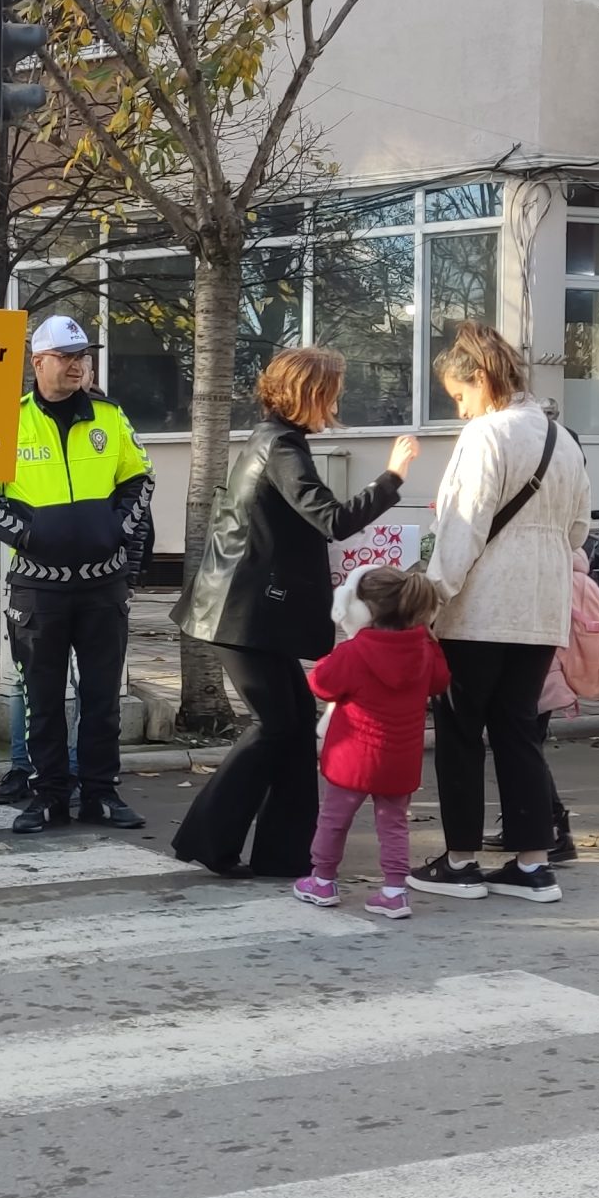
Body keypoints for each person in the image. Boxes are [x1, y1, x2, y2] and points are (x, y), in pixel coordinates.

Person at [170, 346, 417, 878]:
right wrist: (391, 478)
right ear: (308, 395)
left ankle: (285, 854)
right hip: (240, 614)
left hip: (246, 612)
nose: (336, 403)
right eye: (330, 394)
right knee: (276, 726)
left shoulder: (278, 441)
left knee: (293, 724)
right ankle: (210, 841)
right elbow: (332, 519)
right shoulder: (282, 446)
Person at [410, 320, 592, 906]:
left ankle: (460, 859)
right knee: (520, 734)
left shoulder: (486, 436)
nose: (460, 411)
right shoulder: (561, 439)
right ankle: (533, 863)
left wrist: (430, 596)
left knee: (462, 732)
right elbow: (580, 529)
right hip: (542, 607)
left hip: (480, 609)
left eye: (459, 397)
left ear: (482, 381)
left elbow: (460, 528)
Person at [0, 314, 154, 836]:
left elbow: (140, 481)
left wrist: (117, 531)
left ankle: (100, 792)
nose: (78, 365)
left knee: (101, 697)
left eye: (84, 356)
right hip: (38, 586)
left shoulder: (110, 417)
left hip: (102, 583)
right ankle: (47, 795)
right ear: (38, 362)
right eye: (67, 357)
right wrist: (26, 535)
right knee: (43, 698)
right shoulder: (6, 419)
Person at [299, 566, 451, 919]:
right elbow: (440, 682)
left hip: (352, 756)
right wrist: (431, 638)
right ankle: (395, 890)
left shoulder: (355, 652)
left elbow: (321, 684)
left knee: (334, 819)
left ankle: (322, 881)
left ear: (366, 609)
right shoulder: (424, 649)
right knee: (394, 823)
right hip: (400, 757)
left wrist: (330, 656)